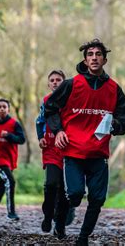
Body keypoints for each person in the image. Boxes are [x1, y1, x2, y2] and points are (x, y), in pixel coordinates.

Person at [44, 38, 125, 245]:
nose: (94, 58)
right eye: (90, 55)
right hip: (73, 151)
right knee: (74, 195)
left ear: (104, 60)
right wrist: (58, 131)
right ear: (85, 60)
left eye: (98, 54)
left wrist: (114, 126)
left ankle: (82, 238)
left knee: (98, 199)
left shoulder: (114, 89)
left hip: (98, 153)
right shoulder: (71, 84)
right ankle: (61, 218)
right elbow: (50, 109)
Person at [35, 70, 75, 235]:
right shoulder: (46, 101)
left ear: (64, 83)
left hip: (69, 149)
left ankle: (60, 225)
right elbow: (40, 122)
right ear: (48, 84)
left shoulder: (72, 100)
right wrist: (40, 138)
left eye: (59, 80)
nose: (55, 82)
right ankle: (47, 215)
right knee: (51, 184)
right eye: (52, 80)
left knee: (65, 190)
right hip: (51, 148)